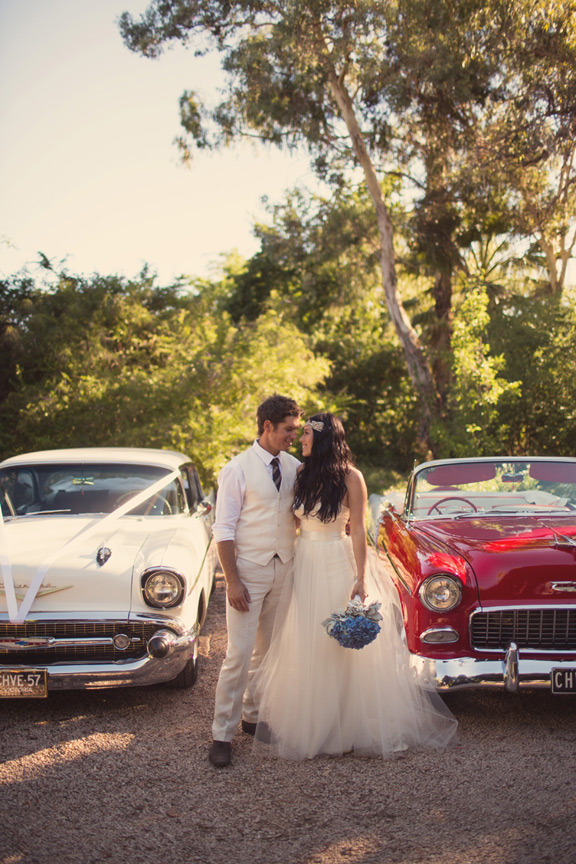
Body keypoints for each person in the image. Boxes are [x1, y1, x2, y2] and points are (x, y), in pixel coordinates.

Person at [253, 413, 457, 759]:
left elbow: (360, 530)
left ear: (323, 439)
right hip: (305, 563)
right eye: (300, 434)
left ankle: (348, 727)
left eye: (305, 435)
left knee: (339, 646)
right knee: (309, 642)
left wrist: (361, 577)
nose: (300, 440)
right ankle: (316, 723)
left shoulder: (352, 478)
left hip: (336, 561)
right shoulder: (301, 474)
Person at [209, 394, 303, 767]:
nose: (293, 436)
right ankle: (221, 734)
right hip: (248, 572)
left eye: (296, 430)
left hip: (285, 568)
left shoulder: (295, 466)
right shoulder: (236, 469)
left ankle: (252, 716)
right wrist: (231, 581)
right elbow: (224, 529)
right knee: (238, 654)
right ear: (267, 426)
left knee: (268, 652)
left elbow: (297, 515)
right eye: (288, 430)